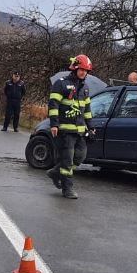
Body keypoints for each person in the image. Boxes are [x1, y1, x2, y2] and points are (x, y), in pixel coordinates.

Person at [46, 55, 94, 199]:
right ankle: (67, 189)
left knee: (80, 156)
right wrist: (54, 124)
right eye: (81, 69)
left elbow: (87, 109)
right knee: (67, 160)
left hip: (79, 131)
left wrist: (91, 127)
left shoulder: (85, 88)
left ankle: (55, 172)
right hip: (65, 130)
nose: (83, 72)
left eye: (86, 70)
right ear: (75, 68)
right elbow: (53, 105)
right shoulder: (61, 84)